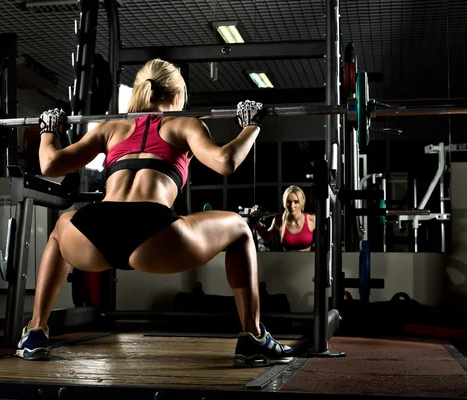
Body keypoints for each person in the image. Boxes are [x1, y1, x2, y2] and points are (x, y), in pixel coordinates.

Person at [16, 59, 293, 367]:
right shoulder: (185, 123)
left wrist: (48, 129)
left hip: (95, 233)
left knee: (61, 227)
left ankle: (36, 331)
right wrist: (252, 125)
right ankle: (253, 337)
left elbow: (49, 164)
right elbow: (226, 161)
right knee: (240, 228)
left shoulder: (111, 127)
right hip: (154, 234)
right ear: (177, 94)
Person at [249, 186, 315, 252]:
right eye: (288, 202)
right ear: (284, 202)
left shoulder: (312, 219)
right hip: (286, 261)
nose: (292, 206)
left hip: (307, 261)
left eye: (296, 202)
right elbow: (266, 237)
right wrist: (254, 221)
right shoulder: (279, 220)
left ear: (302, 201)